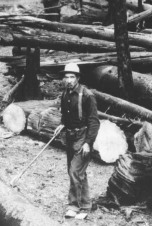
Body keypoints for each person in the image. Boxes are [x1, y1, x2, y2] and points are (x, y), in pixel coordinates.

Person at [54, 63, 100, 220]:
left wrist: (88, 142)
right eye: (66, 77)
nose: (68, 80)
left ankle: (73, 206)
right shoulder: (65, 94)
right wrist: (61, 124)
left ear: (78, 78)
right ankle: (86, 205)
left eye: (72, 77)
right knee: (76, 172)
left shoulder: (87, 95)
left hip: (83, 137)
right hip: (70, 137)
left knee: (75, 171)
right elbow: (66, 115)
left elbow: (94, 122)